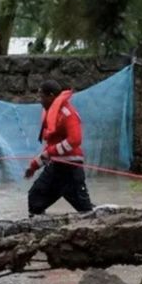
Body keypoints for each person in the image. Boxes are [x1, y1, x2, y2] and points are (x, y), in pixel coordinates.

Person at [24, 80, 94, 215]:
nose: (40, 101)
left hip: (71, 168)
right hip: (55, 168)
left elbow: (75, 140)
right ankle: (39, 230)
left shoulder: (68, 114)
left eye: (41, 96)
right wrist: (33, 166)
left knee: (86, 211)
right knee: (35, 198)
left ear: (51, 96)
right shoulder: (52, 115)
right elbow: (50, 149)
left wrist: (52, 151)